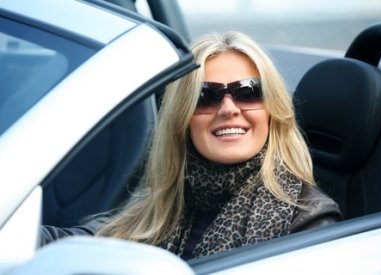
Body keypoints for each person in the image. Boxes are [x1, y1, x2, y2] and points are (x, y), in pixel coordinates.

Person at [41, 31, 342, 259]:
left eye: (248, 92)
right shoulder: (166, 203)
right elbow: (82, 245)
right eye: (205, 96)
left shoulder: (308, 220)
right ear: (182, 118)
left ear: (272, 111)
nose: (228, 109)